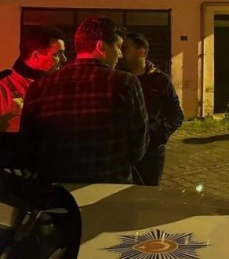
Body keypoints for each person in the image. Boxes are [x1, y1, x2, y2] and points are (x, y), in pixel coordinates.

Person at [21, 16, 149, 184]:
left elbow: (28, 144)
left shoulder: (39, 87)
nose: (119, 54)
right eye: (118, 47)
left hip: (57, 189)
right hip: (110, 184)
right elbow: (139, 143)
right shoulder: (125, 83)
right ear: (101, 47)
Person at [119, 32, 184, 186]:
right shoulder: (119, 79)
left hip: (152, 153)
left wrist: (160, 134)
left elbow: (176, 113)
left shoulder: (160, 80)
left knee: (149, 194)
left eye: (125, 49)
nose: (121, 53)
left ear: (140, 52)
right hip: (124, 152)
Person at [0, 27, 66, 132]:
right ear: (36, 56)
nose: (64, 59)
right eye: (57, 54)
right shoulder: (4, 87)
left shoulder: (56, 84)